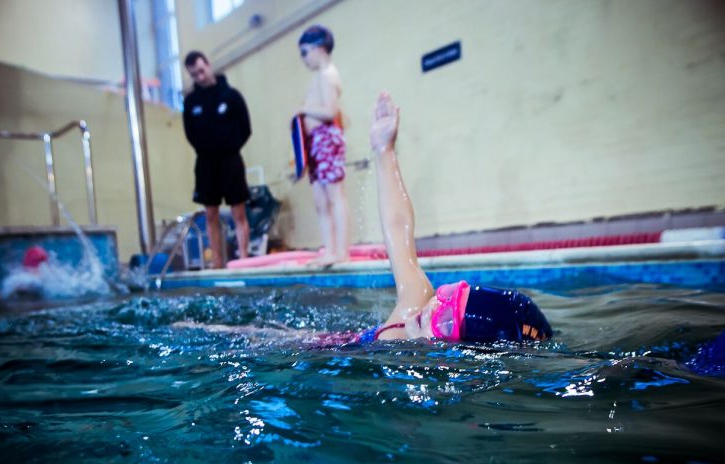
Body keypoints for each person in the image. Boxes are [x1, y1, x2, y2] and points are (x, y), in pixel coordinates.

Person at [176, 93, 553, 348]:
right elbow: (398, 226)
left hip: (332, 357)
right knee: (250, 335)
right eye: (444, 296)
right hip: (328, 345)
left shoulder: (425, 361)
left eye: (443, 317)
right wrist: (383, 149)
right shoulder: (414, 306)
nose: (431, 306)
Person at [183, 50, 251, 268]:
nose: (200, 77)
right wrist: (207, 150)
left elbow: (246, 128)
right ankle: (218, 262)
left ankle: (243, 259)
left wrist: (229, 147)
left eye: (202, 71)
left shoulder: (231, 96)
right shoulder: (191, 102)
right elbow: (190, 133)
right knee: (210, 214)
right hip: (206, 164)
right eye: (194, 75)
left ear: (209, 66)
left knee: (238, 212)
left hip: (230, 160)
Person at [296, 25, 350, 266]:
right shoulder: (321, 75)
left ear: (319, 47)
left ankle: (341, 252)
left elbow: (329, 111)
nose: (304, 59)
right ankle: (330, 249)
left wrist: (303, 109)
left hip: (326, 138)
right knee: (320, 199)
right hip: (317, 142)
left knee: (334, 194)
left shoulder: (328, 74)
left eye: (305, 52)